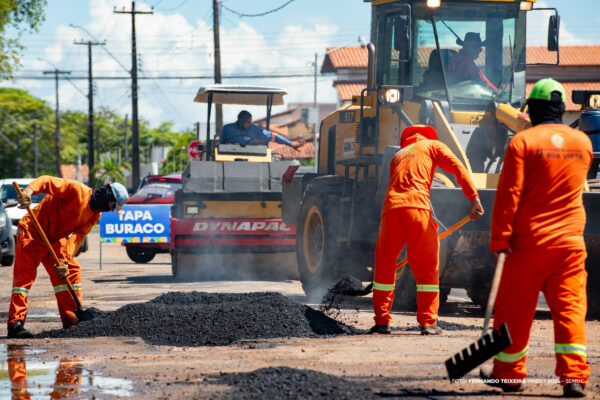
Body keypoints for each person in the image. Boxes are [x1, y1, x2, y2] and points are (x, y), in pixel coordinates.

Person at [481, 78, 592, 397]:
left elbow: (509, 195)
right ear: (561, 109)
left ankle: (509, 375)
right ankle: (574, 377)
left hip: (529, 244)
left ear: (534, 110)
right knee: (570, 311)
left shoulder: (523, 142)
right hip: (570, 244)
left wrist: (500, 240)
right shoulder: (582, 142)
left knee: (513, 311)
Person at [371, 125, 484, 335]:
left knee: (385, 266)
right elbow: (458, 168)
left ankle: (381, 322)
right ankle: (428, 322)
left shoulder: (398, 154)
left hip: (391, 212)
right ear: (428, 136)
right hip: (417, 209)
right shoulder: (433, 145)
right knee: (427, 267)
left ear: (406, 139)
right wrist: (474, 197)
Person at [7, 176, 129, 338]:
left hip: (54, 239)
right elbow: (46, 181)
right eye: (113, 206)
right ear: (107, 198)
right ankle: (16, 323)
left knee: (71, 270)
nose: (112, 210)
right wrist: (28, 191)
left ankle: (72, 319)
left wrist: (64, 261)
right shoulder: (77, 190)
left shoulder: (94, 215)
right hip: (33, 230)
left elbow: (77, 238)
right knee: (24, 278)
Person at [220, 110, 304, 150]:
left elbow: (273, 136)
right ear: (240, 120)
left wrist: (290, 143)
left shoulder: (253, 129)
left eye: (250, 122)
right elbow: (221, 146)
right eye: (247, 122)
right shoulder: (227, 128)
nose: (250, 124)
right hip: (230, 157)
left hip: (249, 158)